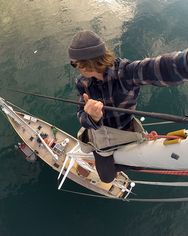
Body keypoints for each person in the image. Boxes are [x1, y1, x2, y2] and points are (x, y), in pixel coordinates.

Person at [68, 30, 188, 183]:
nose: (77, 67)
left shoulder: (126, 73)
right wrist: (91, 117)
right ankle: (114, 162)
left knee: (138, 164)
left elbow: (159, 67)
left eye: (76, 63)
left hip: (126, 130)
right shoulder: (82, 82)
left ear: (88, 62)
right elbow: (81, 114)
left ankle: (120, 160)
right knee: (106, 178)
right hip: (101, 137)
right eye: (74, 64)